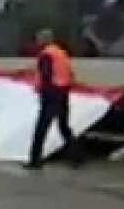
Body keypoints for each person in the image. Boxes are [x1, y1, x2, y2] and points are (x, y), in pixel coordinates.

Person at [26, 28, 83, 169]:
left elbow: (46, 75)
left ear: (44, 40)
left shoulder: (46, 55)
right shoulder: (61, 53)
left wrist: (42, 91)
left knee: (42, 127)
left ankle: (35, 160)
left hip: (51, 93)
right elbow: (69, 73)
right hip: (63, 92)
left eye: (39, 39)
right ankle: (77, 157)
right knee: (63, 126)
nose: (37, 41)